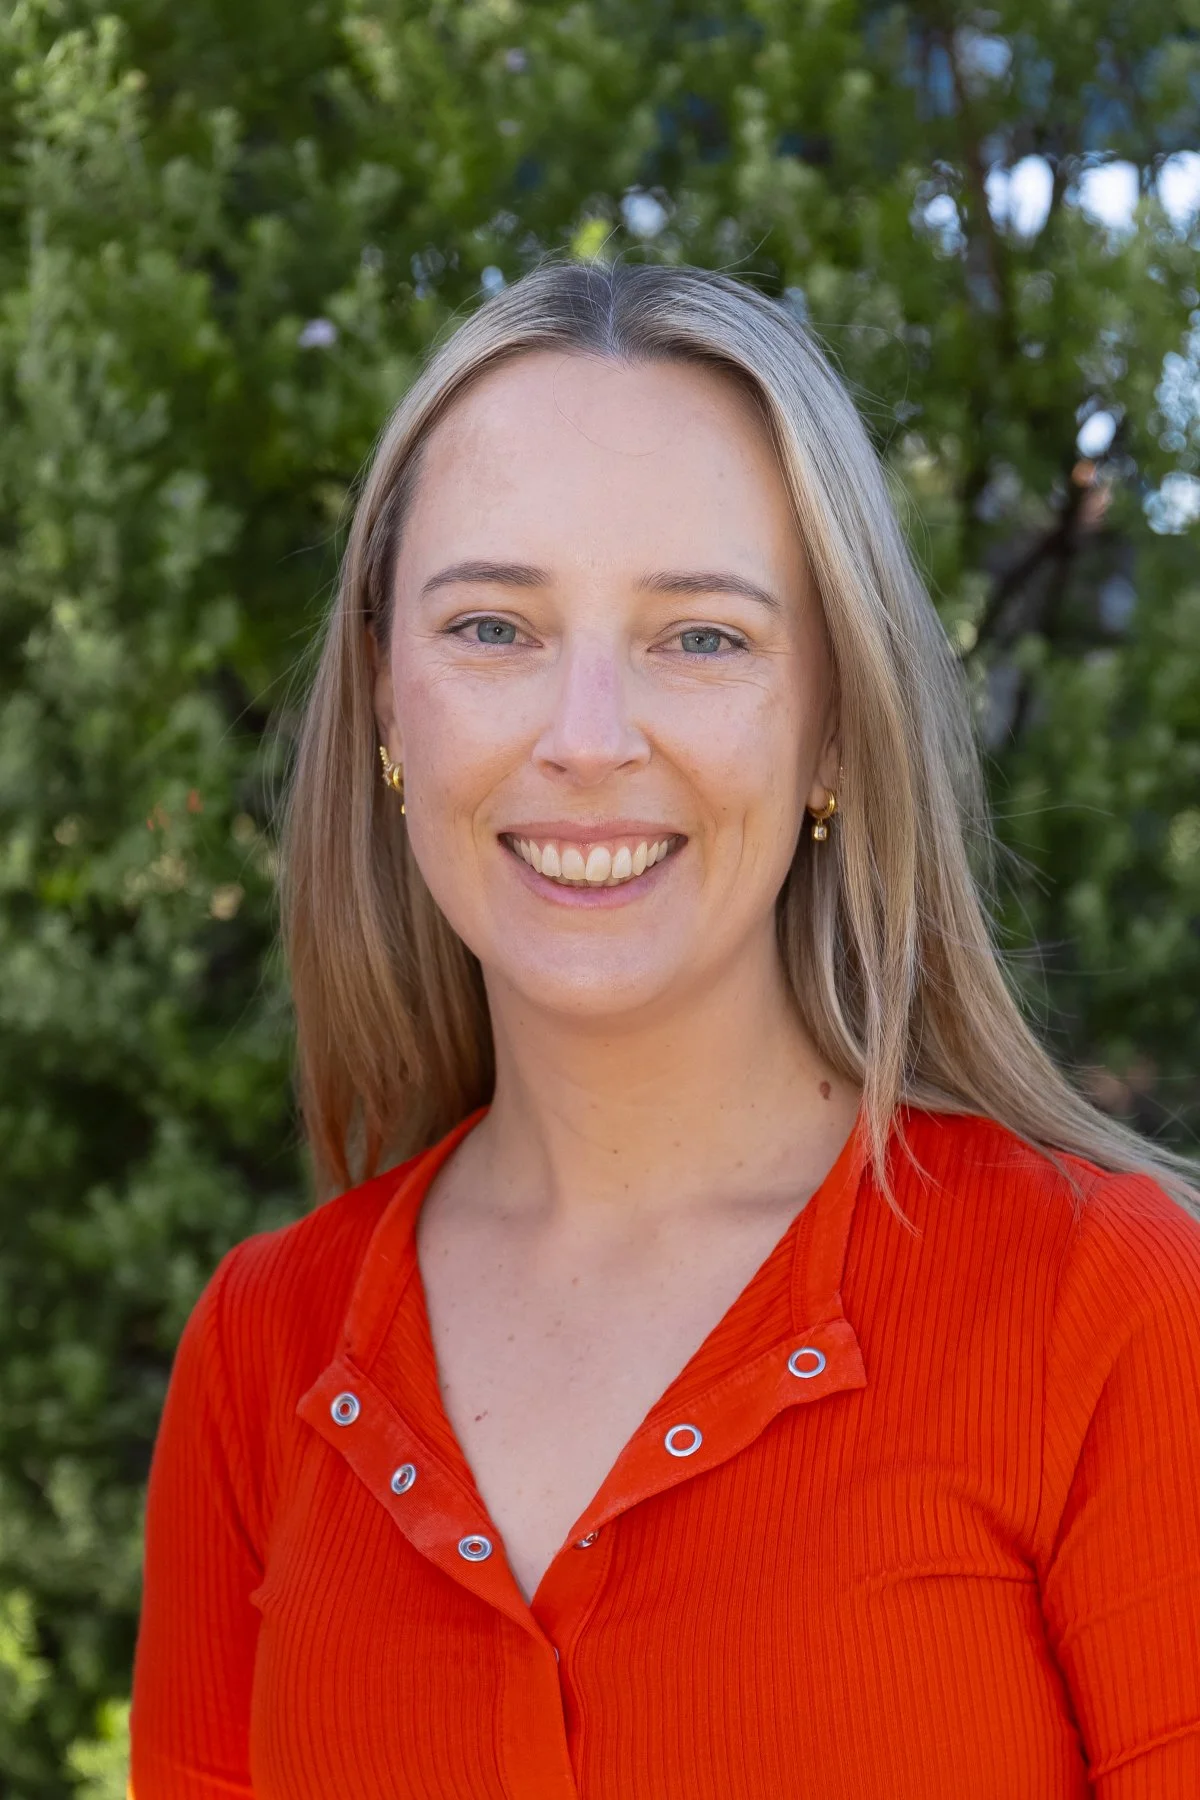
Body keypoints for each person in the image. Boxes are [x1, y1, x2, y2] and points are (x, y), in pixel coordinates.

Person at [128, 260, 1200, 1799]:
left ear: (834, 719)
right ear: (382, 705)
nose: (585, 740)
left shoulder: (1102, 1312)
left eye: (700, 638)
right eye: (494, 628)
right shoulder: (263, 1354)